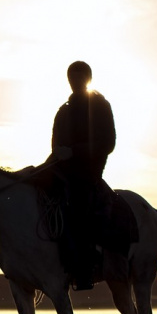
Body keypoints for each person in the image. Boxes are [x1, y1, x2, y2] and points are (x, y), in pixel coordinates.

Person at [44, 61, 116, 290]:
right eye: (71, 78)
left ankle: (84, 269)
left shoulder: (100, 106)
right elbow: (56, 145)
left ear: (87, 79)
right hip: (61, 168)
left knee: (78, 209)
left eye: (79, 78)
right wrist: (48, 163)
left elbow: (108, 143)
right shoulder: (63, 111)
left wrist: (74, 151)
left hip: (88, 171)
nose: (74, 82)